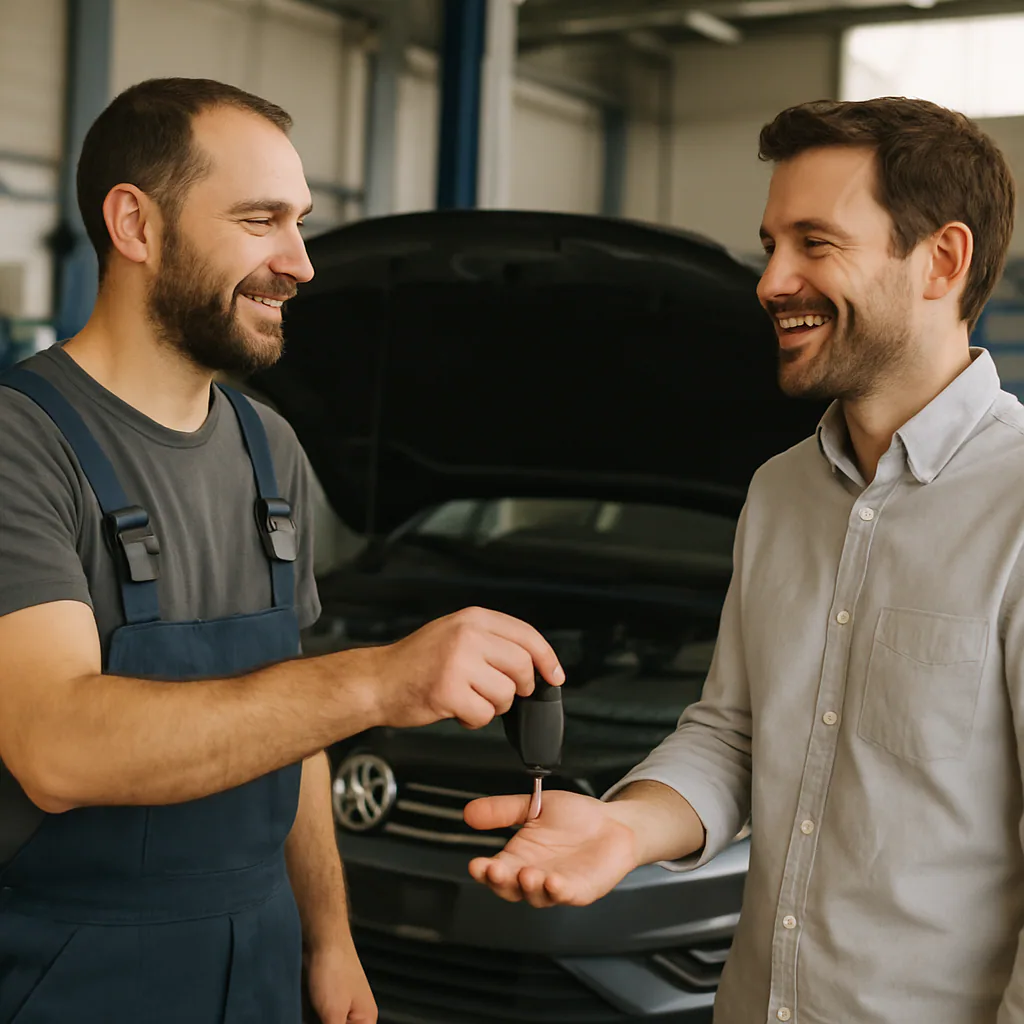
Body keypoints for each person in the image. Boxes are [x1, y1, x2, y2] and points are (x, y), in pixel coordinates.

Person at [0, 78, 564, 1024]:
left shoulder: (271, 450)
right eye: (261, 220)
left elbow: (287, 724)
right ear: (135, 224)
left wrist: (328, 939)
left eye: (300, 223)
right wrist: (380, 680)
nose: (299, 263)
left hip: (259, 957)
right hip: (68, 971)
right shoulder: (24, 443)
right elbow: (57, 747)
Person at [465, 97, 1024, 1023]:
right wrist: (622, 826)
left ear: (943, 260)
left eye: (816, 242)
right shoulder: (780, 493)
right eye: (771, 244)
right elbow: (732, 735)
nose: (771, 281)